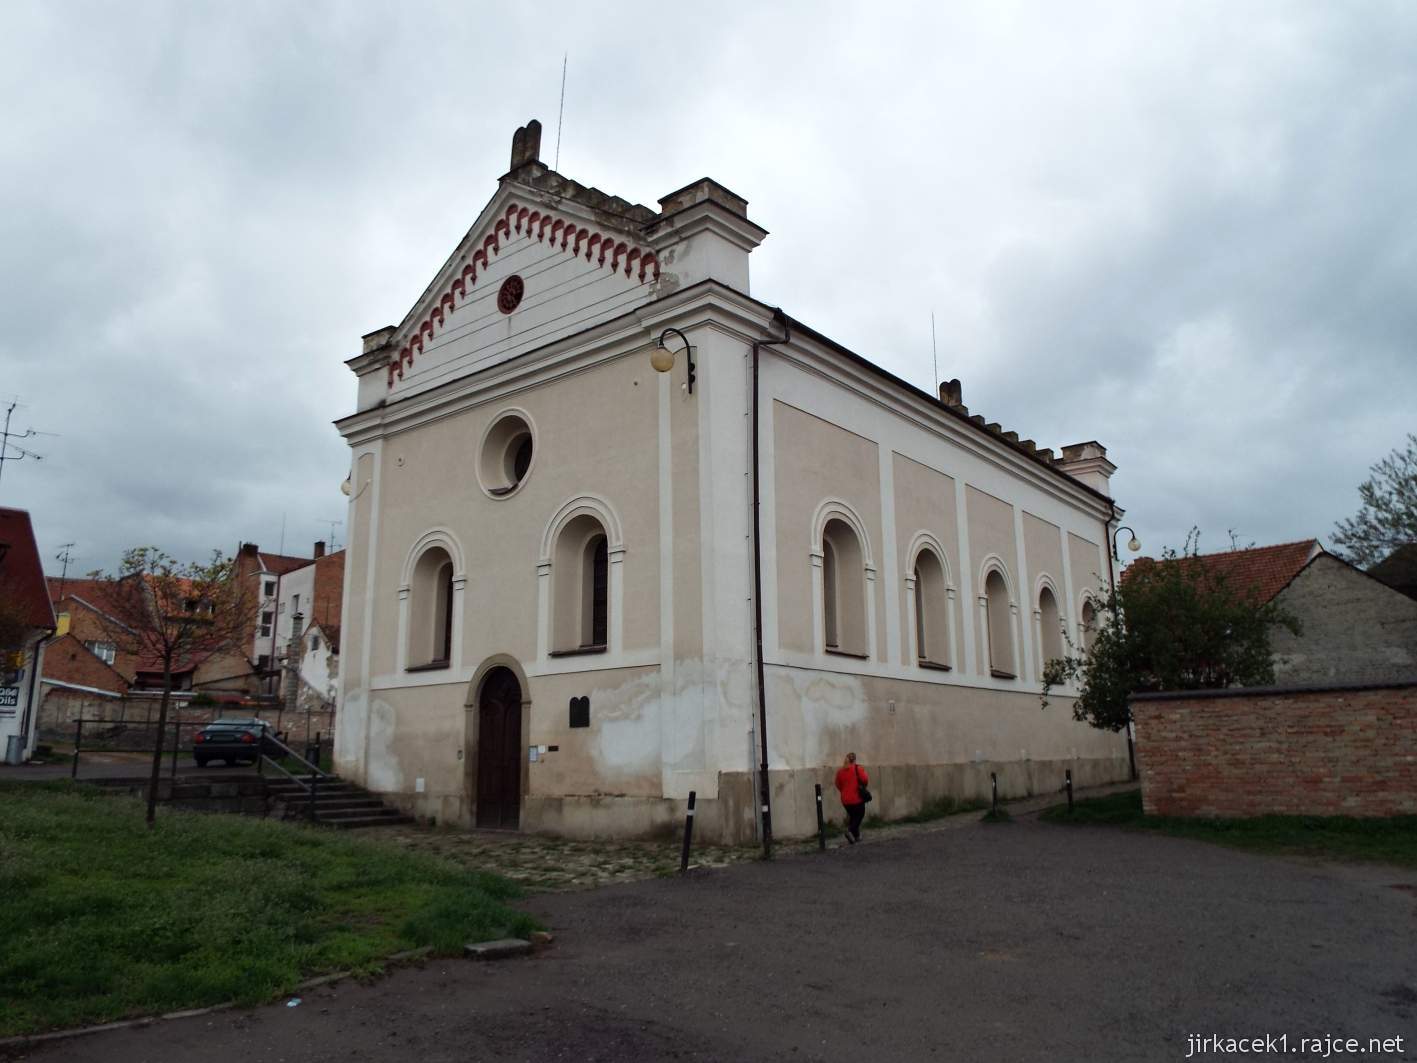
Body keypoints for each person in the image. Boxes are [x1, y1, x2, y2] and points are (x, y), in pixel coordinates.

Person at [834, 752, 869, 844]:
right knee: (859, 815)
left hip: (845, 800)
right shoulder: (858, 768)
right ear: (854, 760)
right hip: (856, 798)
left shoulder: (840, 772)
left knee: (853, 817)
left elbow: (837, 784)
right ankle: (849, 831)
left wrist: (844, 791)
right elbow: (865, 780)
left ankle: (857, 836)